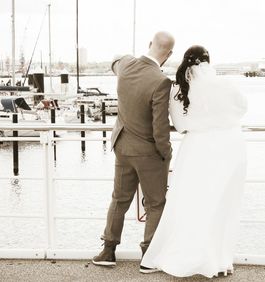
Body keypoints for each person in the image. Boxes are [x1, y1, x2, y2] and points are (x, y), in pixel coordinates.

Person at [141, 45, 248, 278]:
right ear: (209, 61)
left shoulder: (178, 88)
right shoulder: (225, 84)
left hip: (197, 149)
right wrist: (220, 120)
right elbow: (242, 109)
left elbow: (180, 125)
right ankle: (218, 260)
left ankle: (188, 255)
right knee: (221, 203)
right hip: (230, 147)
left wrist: (201, 124)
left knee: (191, 202)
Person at [92, 31, 175, 272]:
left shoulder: (126, 64)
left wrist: (120, 60)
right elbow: (160, 128)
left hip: (123, 147)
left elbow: (115, 61)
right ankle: (148, 256)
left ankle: (108, 251)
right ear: (168, 55)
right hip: (149, 152)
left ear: (149, 44)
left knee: (119, 199)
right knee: (155, 204)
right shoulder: (161, 81)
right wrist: (166, 153)